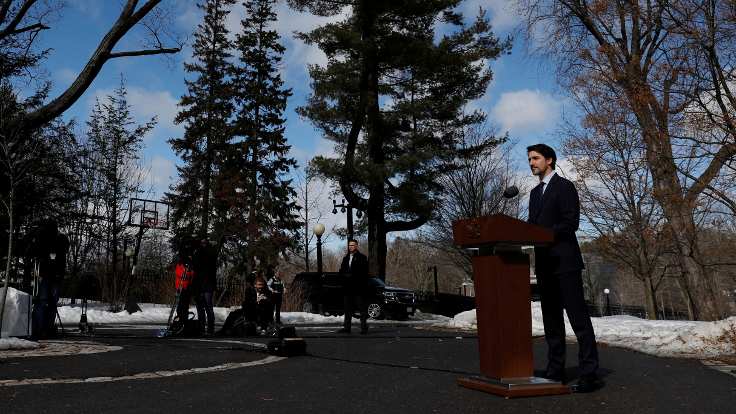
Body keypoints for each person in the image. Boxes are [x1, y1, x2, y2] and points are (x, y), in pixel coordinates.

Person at [526, 143, 602, 393]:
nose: (531, 163)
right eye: (529, 159)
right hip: (545, 265)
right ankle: (554, 371)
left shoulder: (565, 187)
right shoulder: (534, 194)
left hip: (565, 263)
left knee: (578, 320)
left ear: (549, 160)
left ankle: (590, 374)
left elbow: (571, 223)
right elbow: (530, 227)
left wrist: (546, 234)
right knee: (551, 321)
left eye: (535, 158)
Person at [30, 219, 69, 339]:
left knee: (42, 302)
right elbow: (63, 254)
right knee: (51, 303)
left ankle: (39, 329)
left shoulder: (42, 236)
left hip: (46, 274)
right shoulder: (60, 238)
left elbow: (35, 252)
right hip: (54, 275)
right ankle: (46, 329)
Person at [337, 239, 369, 334]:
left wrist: (352, 276)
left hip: (358, 288)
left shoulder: (362, 257)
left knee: (361, 309)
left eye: (352, 245)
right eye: (349, 245)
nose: (350, 247)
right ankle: (347, 328)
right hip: (348, 288)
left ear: (356, 246)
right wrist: (344, 277)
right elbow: (341, 271)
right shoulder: (345, 258)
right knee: (347, 309)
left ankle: (364, 328)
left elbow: (363, 272)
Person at [193, 238, 217, 336]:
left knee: (202, 307)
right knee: (207, 307)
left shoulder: (199, 254)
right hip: (207, 284)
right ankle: (209, 329)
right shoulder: (211, 254)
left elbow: (195, 267)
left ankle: (202, 328)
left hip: (202, 284)